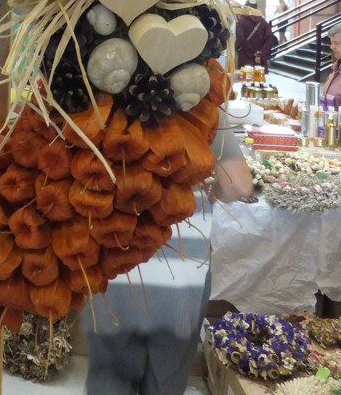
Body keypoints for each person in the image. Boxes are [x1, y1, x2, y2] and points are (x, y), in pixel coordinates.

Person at [85, 111, 253, 395]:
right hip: (181, 276)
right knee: (166, 381)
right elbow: (238, 184)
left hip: (116, 267)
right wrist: (204, 198)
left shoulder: (102, 103)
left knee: (110, 379)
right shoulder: (205, 108)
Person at [233, 3, 278, 71]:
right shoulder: (263, 22)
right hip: (259, 60)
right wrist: (260, 54)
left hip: (245, 57)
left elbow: (240, 39)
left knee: (245, 76)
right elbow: (269, 39)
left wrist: (251, 51)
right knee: (258, 76)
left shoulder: (241, 21)